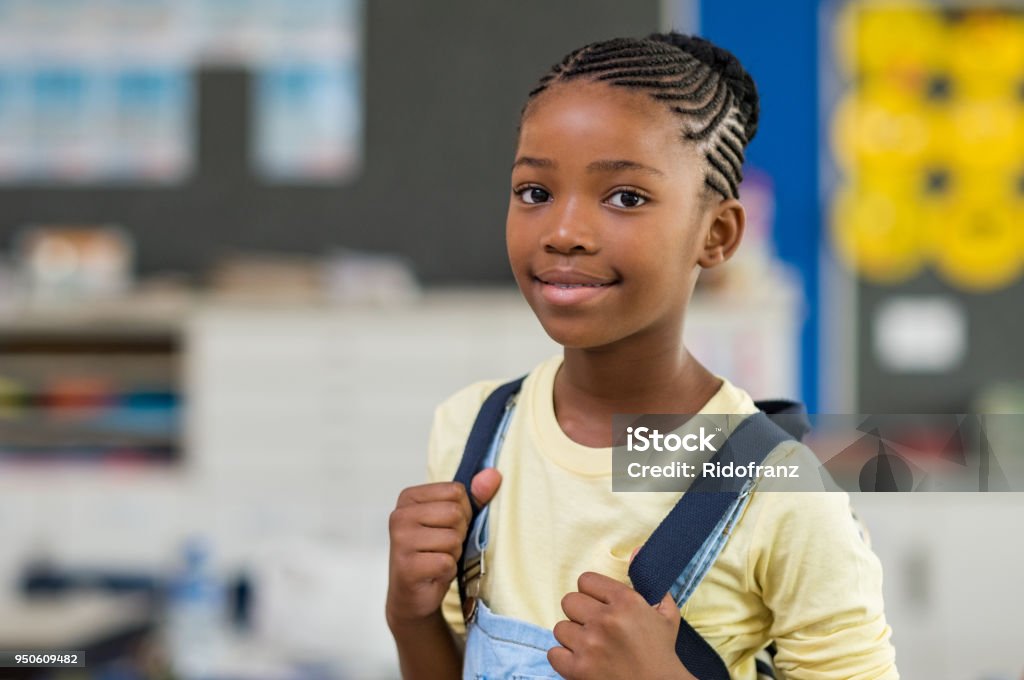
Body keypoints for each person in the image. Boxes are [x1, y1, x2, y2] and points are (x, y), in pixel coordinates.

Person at [386, 32, 899, 680]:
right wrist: (410, 614)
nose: (564, 231)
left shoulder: (784, 494)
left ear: (716, 234)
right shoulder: (473, 433)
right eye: (535, 192)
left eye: (625, 197)